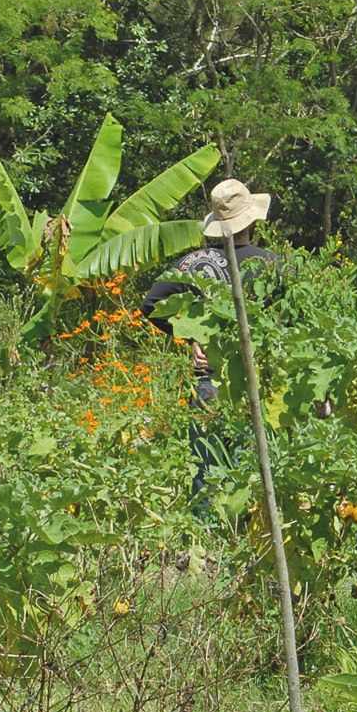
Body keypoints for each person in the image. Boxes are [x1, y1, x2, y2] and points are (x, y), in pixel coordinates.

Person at [140, 179, 278, 501]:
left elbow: (150, 305)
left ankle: (205, 544)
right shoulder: (272, 265)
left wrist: (191, 338)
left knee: (207, 474)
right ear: (252, 221)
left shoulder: (192, 263)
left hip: (209, 382)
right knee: (252, 477)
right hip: (256, 380)